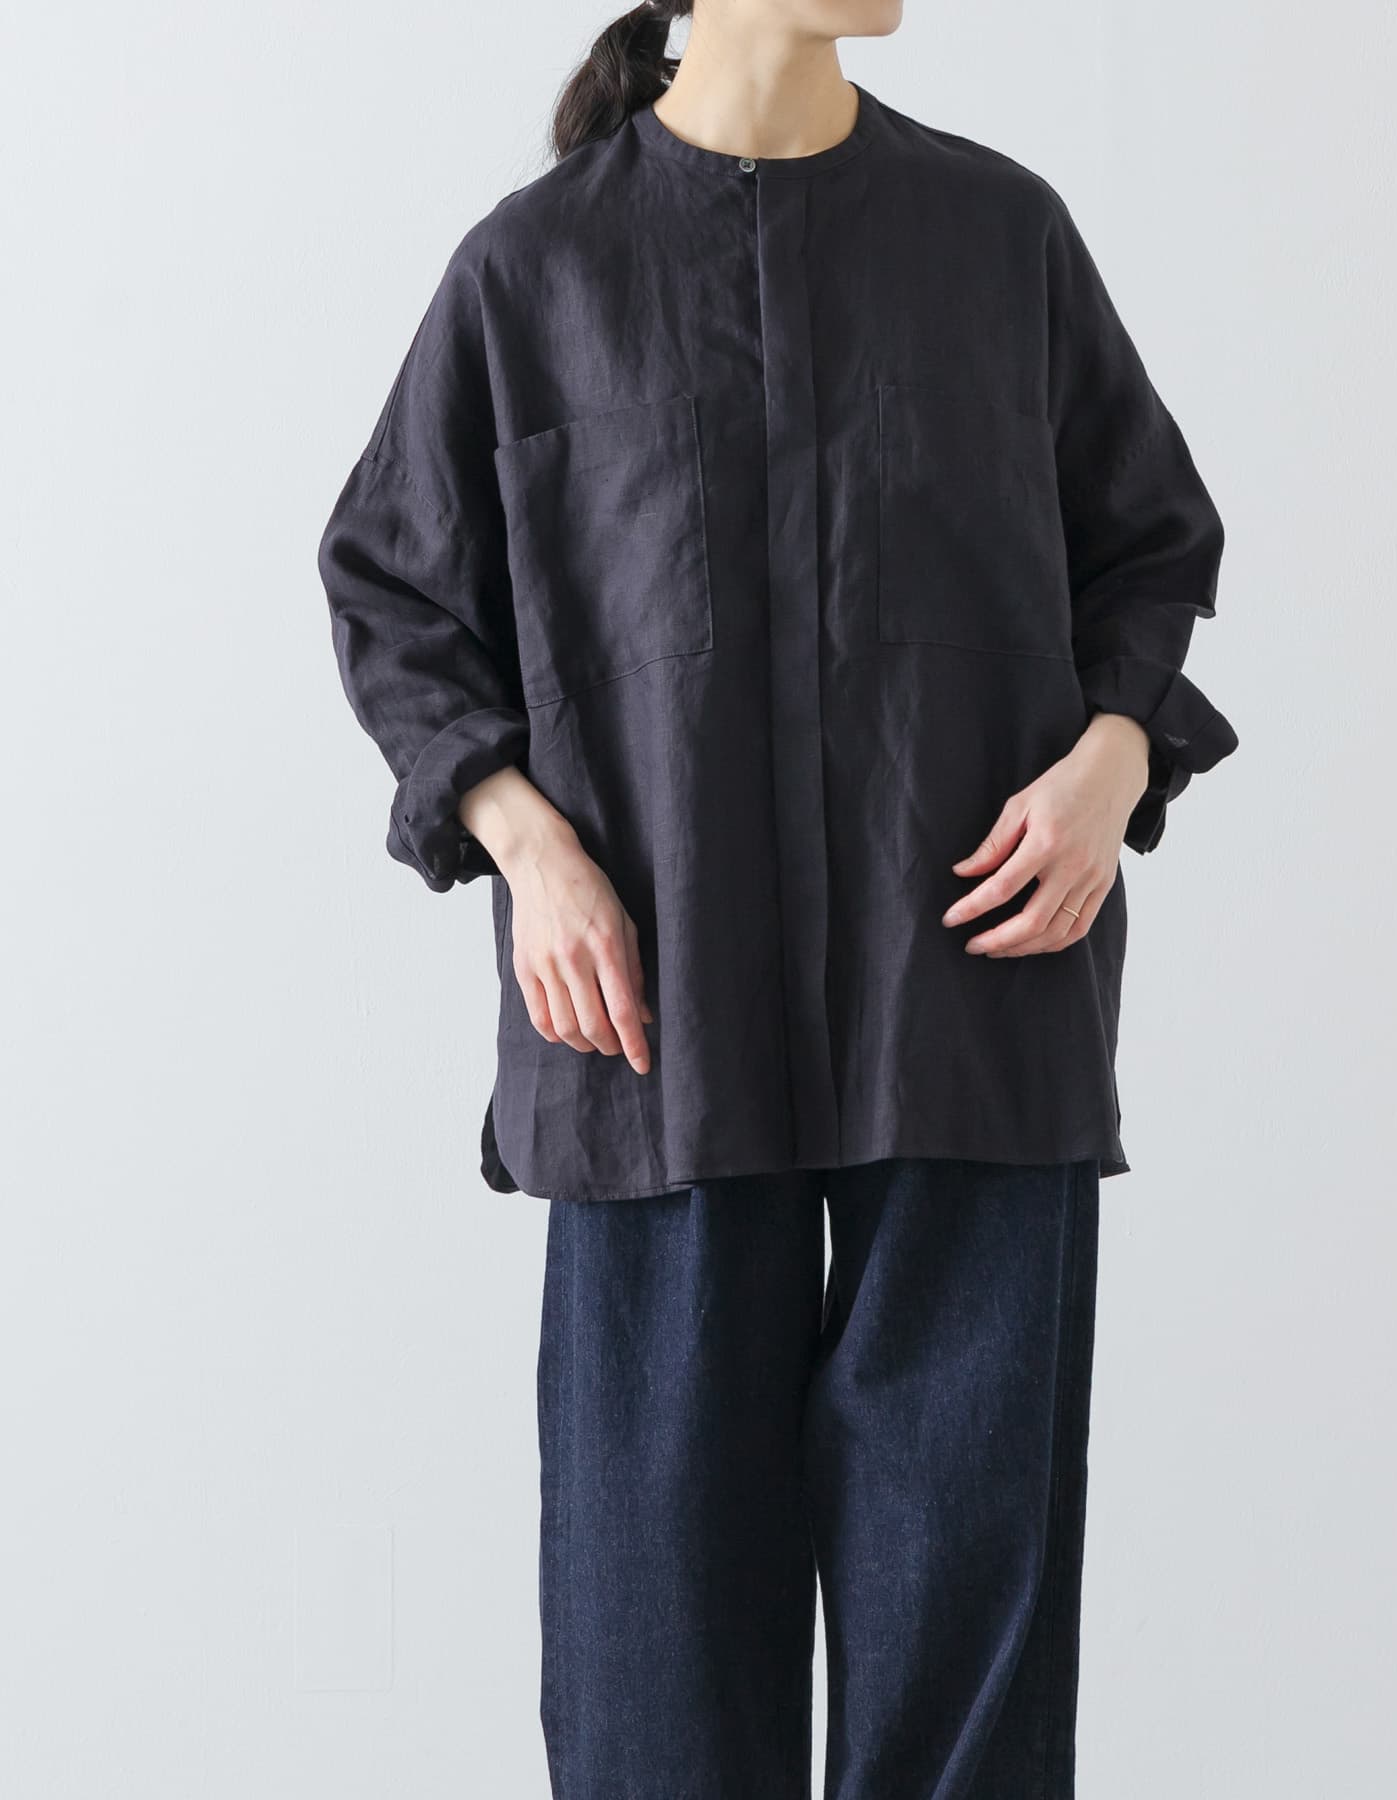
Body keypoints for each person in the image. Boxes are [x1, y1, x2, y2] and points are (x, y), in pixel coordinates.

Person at [316, 2, 1237, 1793]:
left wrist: (1113, 759)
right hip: (657, 1028)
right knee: (652, 1663)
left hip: (970, 999)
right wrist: (530, 847)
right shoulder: (534, 270)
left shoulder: (1001, 236)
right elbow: (394, 591)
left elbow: (1148, 542)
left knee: (966, 1667)